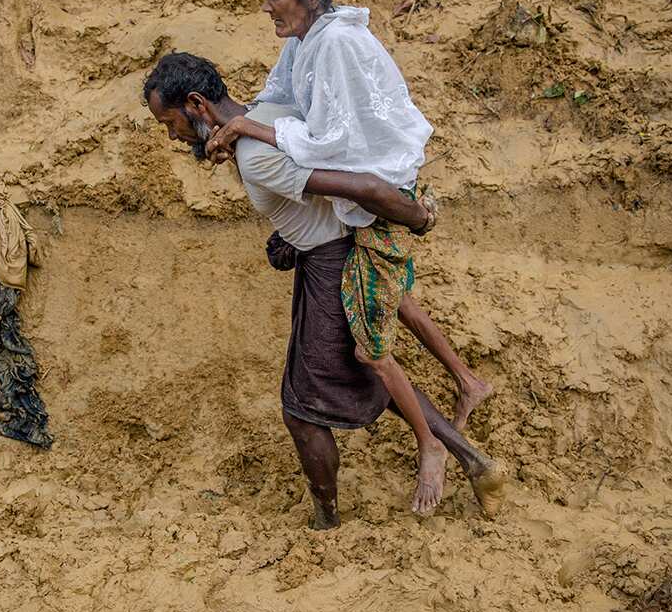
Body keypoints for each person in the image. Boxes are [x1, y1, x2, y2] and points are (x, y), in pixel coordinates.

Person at [143, 52, 507, 526]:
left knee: (301, 408)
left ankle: (327, 520)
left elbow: (353, 186)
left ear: (195, 104)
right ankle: (477, 464)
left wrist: (415, 216)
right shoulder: (268, 115)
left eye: (171, 123)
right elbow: (315, 190)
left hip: (331, 262)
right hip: (328, 251)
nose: (173, 136)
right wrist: (289, 235)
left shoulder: (255, 156)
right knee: (371, 367)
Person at [204, 0, 486, 515]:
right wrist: (241, 124)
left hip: (379, 194)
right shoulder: (307, 40)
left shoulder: (334, 44)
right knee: (388, 303)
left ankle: (434, 443)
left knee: (369, 346)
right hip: (363, 204)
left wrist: (249, 132)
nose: (267, 7)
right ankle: (463, 397)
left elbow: (328, 144)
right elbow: (276, 98)